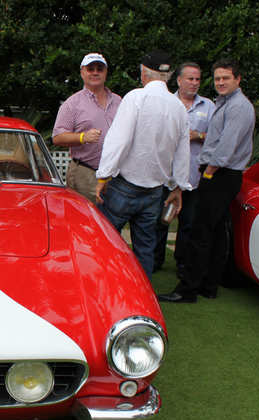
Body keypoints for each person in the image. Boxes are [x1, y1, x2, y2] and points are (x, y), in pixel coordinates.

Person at [159, 58, 255, 302]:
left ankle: (188, 289)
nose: (220, 82)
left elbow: (226, 148)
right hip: (221, 174)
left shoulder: (238, 107)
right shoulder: (225, 104)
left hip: (220, 174)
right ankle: (208, 285)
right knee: (214, 233)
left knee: (200, 233)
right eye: (218, 78)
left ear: (238, 79)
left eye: (226, 78)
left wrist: (208, 174)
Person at [94, 50, 191, 279]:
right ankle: (142, 297)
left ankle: (104, 290)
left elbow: (119, 140)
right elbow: (182, 152)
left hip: (124, 186)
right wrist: (178, 187)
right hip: (154, 191)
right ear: (167, 77)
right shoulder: (178, 108)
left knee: (105, 241)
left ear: (143, 74)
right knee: (145, 249)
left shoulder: (136, 97)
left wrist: (103, 176)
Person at [153, 63, 215, 275]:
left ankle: (182, 264)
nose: (195, 83)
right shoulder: (166, 103)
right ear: (178, 80)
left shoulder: (208, 107)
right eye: (190, 79)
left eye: (198, 79)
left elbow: (218, 138)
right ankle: (155, 261)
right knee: (160, 221)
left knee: (188, 224)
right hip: (165, 176)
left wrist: (199, 135)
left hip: (193, 177)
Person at [52, 53, 121, 206]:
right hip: (86, 173)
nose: (95, 72)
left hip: (114, 174)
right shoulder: (72, 104)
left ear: (106, 72)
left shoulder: (119, 101)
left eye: (99, 69)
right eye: (90, 69)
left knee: (110, 222)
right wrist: (82, 137)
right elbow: (57, 137)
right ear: (82, 72)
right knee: (85, 221)